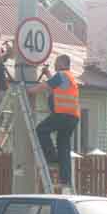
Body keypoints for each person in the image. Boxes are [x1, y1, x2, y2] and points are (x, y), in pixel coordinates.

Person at [27, 55, 80, 189]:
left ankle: (51, 157)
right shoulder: (68, 76)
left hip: (62, 114)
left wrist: (28, 91)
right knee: (64, 146)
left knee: (41, 130)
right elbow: (55, 85)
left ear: (62, 63)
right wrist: (47, 73)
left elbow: (45, 86)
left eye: (56, 62)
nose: (55, 64)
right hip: (72, 117)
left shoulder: (61, 74)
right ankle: (65, 179)